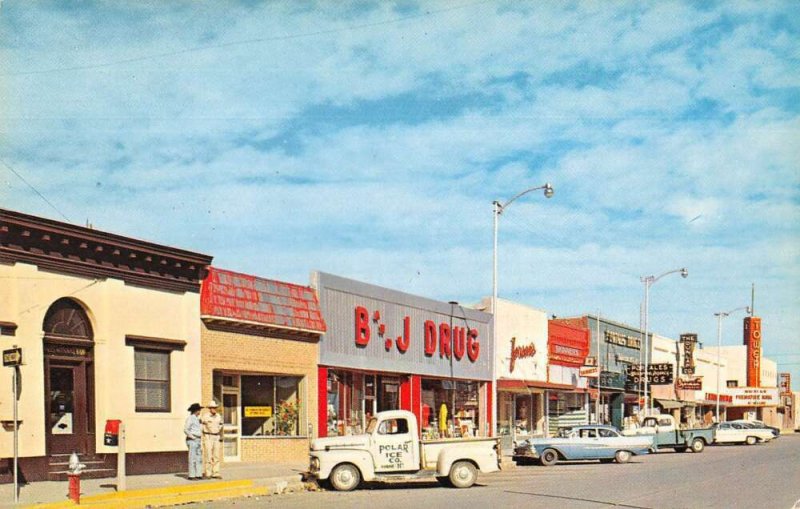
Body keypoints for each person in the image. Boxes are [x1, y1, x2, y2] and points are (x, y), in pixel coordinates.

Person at [201, 400, 223, 479]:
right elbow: (202, 426)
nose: (214, 409)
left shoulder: (218, 416)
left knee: (216, 455)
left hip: (216, 436)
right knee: (208, 455)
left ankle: (216, 472)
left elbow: (221, 425)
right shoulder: (205, 416)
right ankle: (208, 473)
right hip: (208, 436)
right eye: (212, 408)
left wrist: (220, 435)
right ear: (209, 408)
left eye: (215, 408)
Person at [183, 403, 203, 480]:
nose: (200, 411)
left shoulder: (197, 419)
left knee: (198, 457)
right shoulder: (190, 418)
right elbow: (186, 429)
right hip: (193, 440)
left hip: (198, 439)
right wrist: (192, 437)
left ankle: (198, 474)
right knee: (192, 457)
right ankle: (191, 475)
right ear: (196, 411)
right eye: (199, 410)